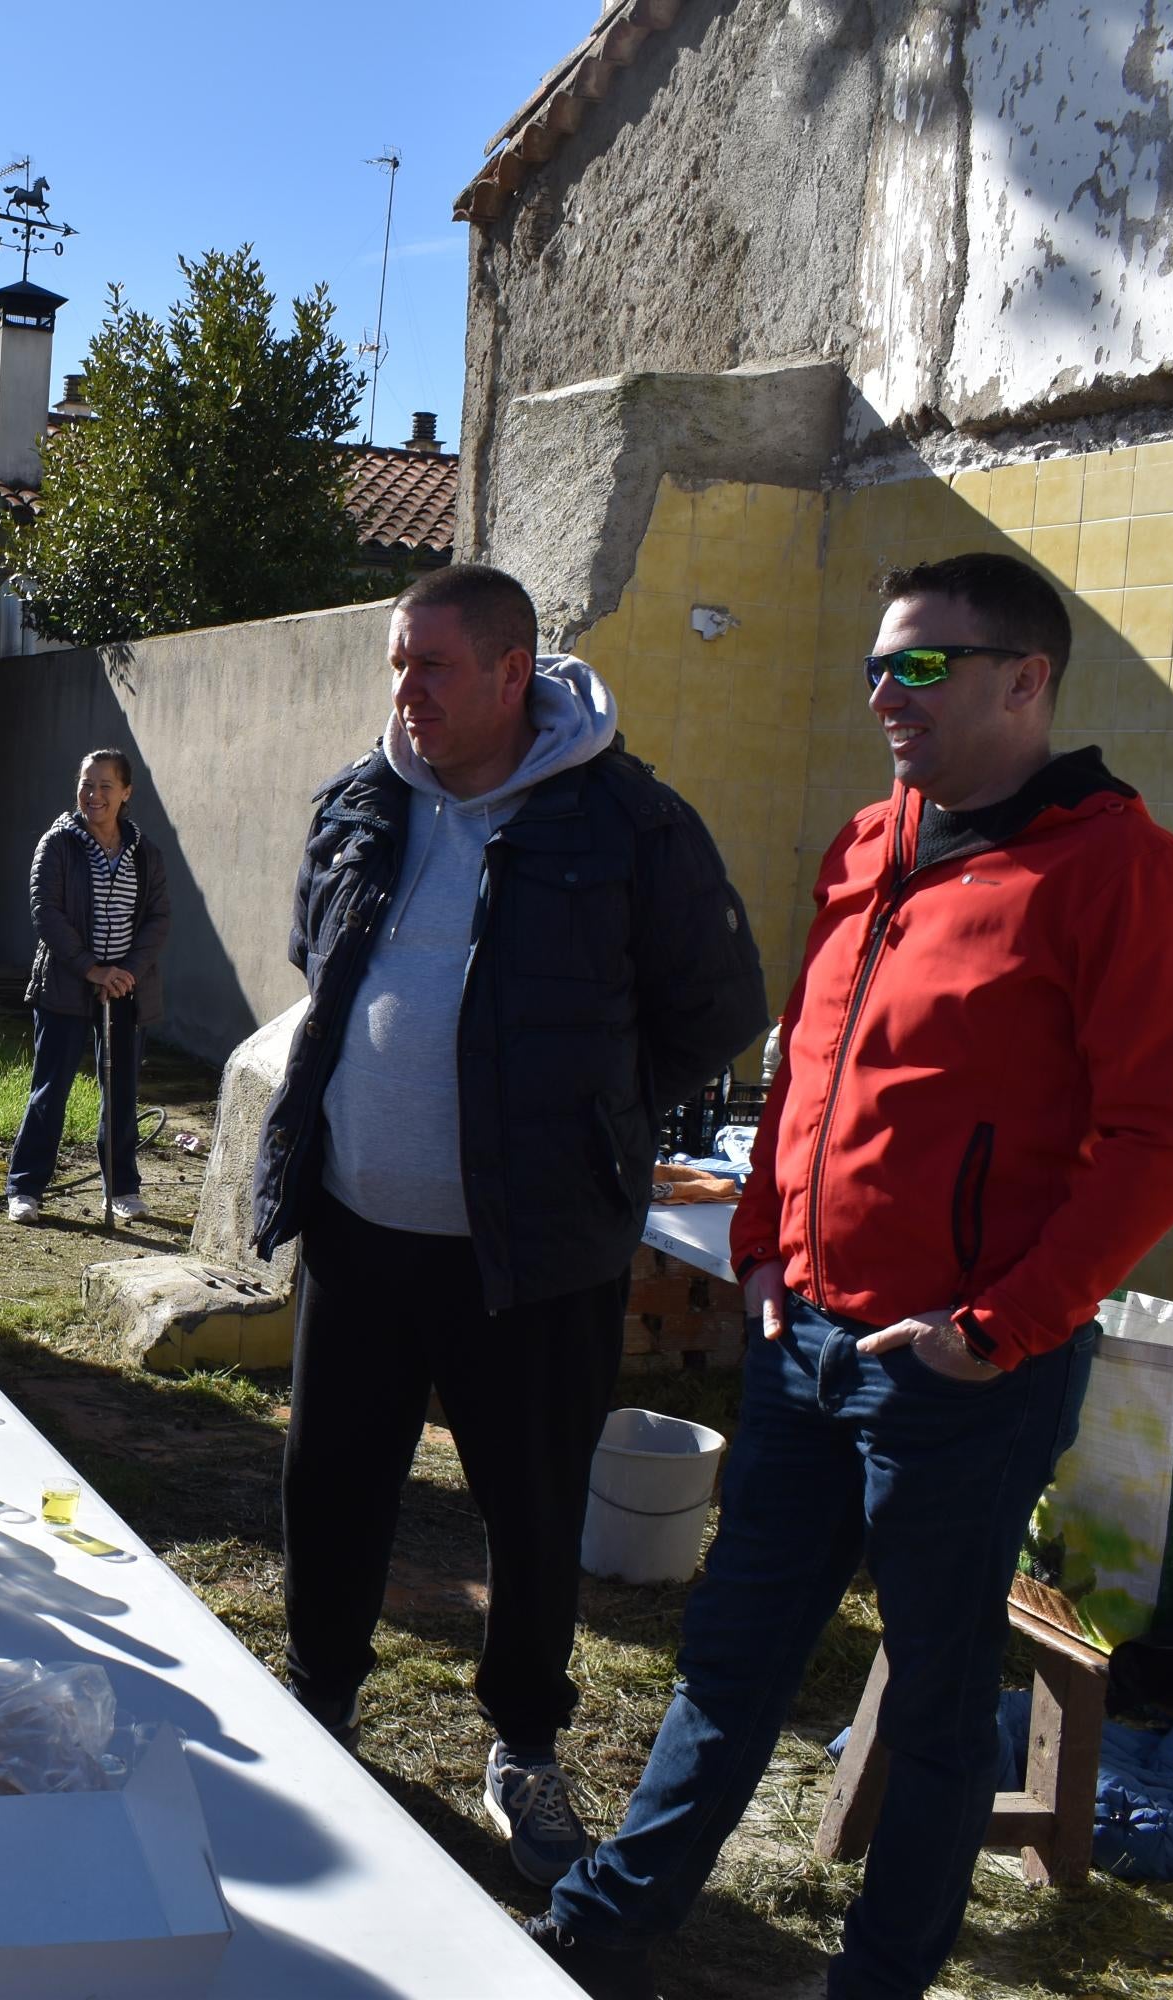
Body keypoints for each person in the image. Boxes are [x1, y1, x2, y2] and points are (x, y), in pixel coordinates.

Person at [532, 553, 1173, 2000]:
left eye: (921, 666)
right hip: (803, 1344)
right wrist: (764, 1247)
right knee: (730, 1656)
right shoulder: (868, 843)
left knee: (934, 1702)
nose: (880, 693)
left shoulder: (1121, 874)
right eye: (872, 666)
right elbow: (805, 1065)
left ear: (1025, 682)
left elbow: (1164, 1141)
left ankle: (880, 1981)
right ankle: (604, 1925)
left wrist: (1000, 1326)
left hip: (958, 1375)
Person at [249, 564, 766, 1886]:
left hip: (530, 1252)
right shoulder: (360, 803)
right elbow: (321, 961)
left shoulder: (624, 824)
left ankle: (525, 1744)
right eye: (395, 665)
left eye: (429, 665)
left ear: (510, 670)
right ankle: (319, 1695)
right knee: (332, 1480)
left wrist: (588, 1116)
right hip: (361, 1231)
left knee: (532, 1508)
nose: (404, 691)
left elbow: (715, 1010)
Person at [5, 749, 171, 1224]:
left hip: (126, 989)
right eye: (86, 784)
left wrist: (125, 973)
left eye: (104, 786)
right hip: (64, 982)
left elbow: (158, 918)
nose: (93, 795)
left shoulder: (146, 851)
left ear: (125, 793)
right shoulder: (57, 844)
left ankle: (122, 1187)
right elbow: (46, 913)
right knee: (50, 1089)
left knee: (120, 1090)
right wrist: (90, 969)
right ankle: (25, 1188)